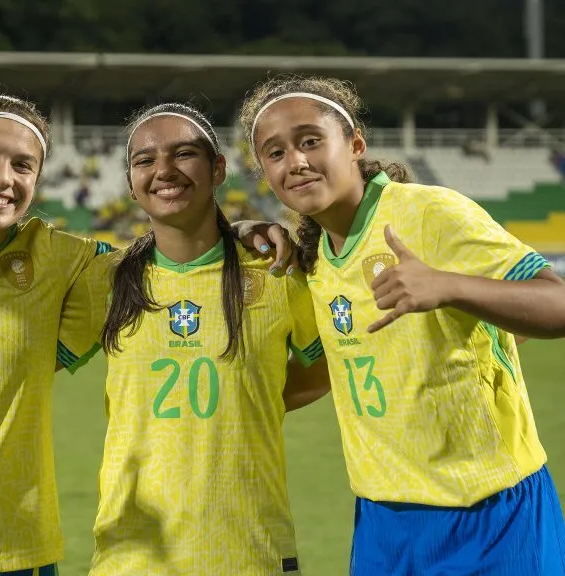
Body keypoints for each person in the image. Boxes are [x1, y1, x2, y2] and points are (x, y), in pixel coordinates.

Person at [240, 74, 565, 575]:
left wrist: (449, 286)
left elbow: (557, 302)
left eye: (310, 141)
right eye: (276, 153)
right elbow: (331, 366)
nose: (296, 161)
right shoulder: (314, 259)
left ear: (354, 145)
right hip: (382, 522)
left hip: (491, 512)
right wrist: (232, 397)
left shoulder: (430, 213)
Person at [56, 103, 330, 575]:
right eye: (144, 160)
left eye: (183, 154)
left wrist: (252, 396)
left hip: (251, 552)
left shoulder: (278, 272)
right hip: (132, 559)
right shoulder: (106, 281)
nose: (164, 170)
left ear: (218, 168)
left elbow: (325, 367)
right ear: (130, 182)